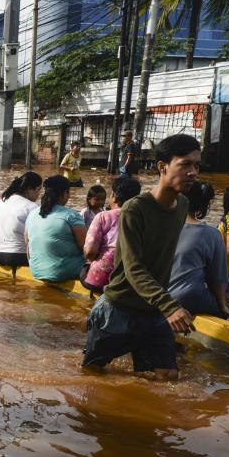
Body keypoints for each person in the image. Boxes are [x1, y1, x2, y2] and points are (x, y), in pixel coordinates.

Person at [83, 134, 200, 381]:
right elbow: (133, 267)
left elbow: (165, 256)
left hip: (153, 312)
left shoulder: (182, 206)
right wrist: (170, 306)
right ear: (162, 166)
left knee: (168, 376)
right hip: (119, 310)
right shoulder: (134, 209)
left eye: (197, 166)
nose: (193, 173)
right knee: (92, 374)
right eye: (185, 165)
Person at [168, 181, 229, 318]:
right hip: (189, 298)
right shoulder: (212, 234)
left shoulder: (160, 225)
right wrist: (222, 305)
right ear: (204, 205)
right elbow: (218, 279)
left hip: (157, 297)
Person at [81, 176, 142, 293]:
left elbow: (89, 252)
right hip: (131, 281)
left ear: (113, 196)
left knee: (83, 269)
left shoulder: (103, 216)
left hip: (101, 279)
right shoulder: (143, 218)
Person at [25, 176, 85, 281]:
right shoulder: (71, 215)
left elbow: (27, 243)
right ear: (64, 193)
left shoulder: (32, 213)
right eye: (68, 192)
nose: (70, 196)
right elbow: (86, 248)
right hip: (61, 271)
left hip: (35, 270)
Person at [0, 172, 42, 268]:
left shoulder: (0, 202)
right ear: (29, 189)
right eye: (38, 190)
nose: (39, 194)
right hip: (16, 255)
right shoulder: (32, 207)